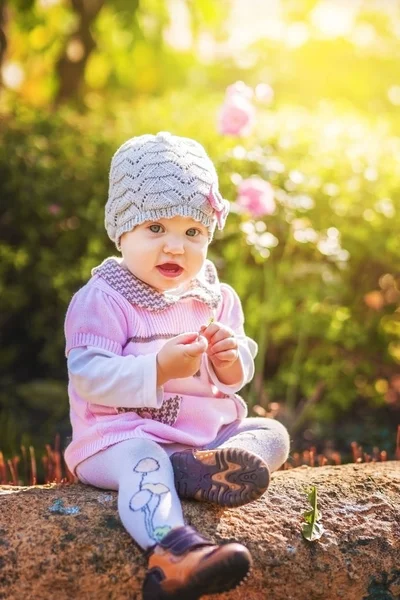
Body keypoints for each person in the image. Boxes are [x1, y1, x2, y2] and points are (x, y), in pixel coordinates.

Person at [64, 132, 290, 600]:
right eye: (155, 229)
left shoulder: (214, 295)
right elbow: (89, 376)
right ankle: (173, 554)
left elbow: (236, 374)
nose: (176, 247)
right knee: (146, 462)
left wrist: (231, 360)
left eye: (193, 233)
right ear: (121, 230)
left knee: (273, 432)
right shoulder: (104, 298)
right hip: (119, 439)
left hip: (200, 438)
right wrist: (158, 369)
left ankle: (196, 470)